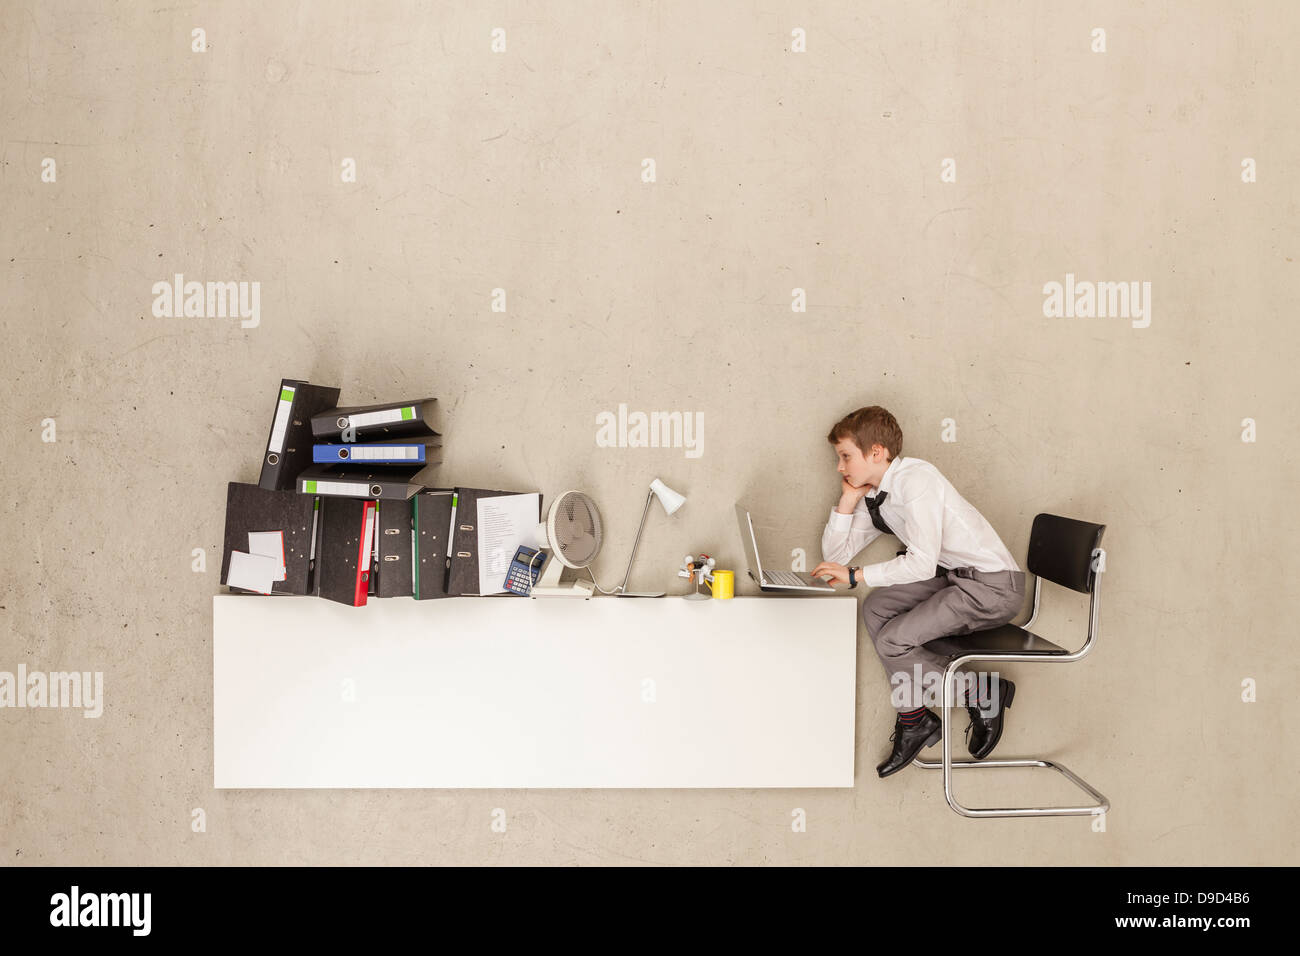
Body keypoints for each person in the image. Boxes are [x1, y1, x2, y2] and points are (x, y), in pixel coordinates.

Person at [811, 406, 1027, 778]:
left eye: (845, 456)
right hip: (955, 578)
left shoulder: (917, 480)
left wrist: (857, 575)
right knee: (876, 608)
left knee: (893, 641)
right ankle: (916, 719)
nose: (840, 466)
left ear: (876, 452)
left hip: (991, 587)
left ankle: (977, 694)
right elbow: (836, 555)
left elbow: (922, 565)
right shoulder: (877, 494)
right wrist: (847, 500)